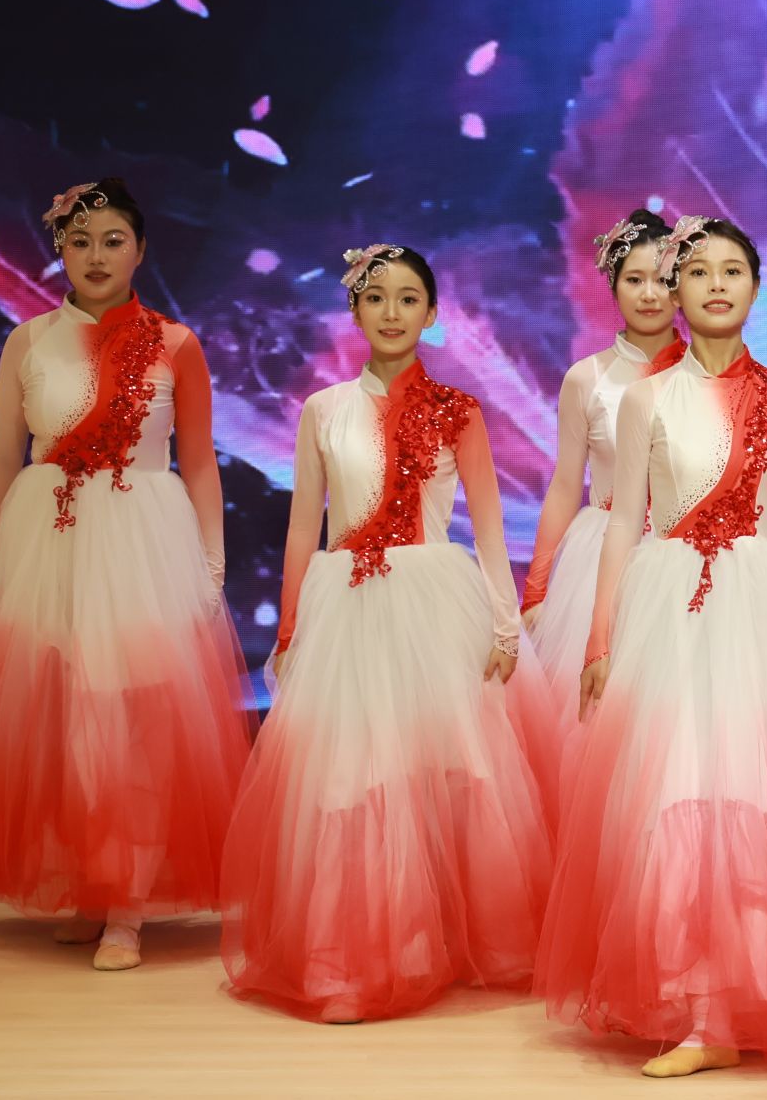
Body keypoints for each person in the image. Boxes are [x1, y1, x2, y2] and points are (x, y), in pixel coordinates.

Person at [539, 216, 767, 1078]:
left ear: (756, 285)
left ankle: (759, 998)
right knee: (677, 798)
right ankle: (698, 1004)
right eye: (698, 270)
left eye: (732, 270)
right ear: (675, 287)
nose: (716, 284)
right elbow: (622, 523)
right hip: (669, 607)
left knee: (758, 800)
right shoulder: (646, 396)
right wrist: (600, 636)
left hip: (764, 611)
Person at [219, 243, 558, 1023]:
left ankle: (442, 940)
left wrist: (505, 624)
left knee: (442, 774)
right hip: (347, 605)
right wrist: (290, 625)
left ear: (431, 313)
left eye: (409, 298)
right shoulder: (323, 409)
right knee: (353, 778)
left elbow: (485, 528)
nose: (393, 311)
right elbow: (303, 528)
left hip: (435, 600)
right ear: (354, 309)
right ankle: (352, 955)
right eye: (376, 297)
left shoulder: (458, 410)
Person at [0, 179, 248, 972]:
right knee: (63, 728)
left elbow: (200, 462)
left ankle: (129, 906)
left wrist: (210, 563)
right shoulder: (28, 341)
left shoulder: (175, 342)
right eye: (79, 241)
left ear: (140, 250)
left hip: (141, 541)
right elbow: (2, 456)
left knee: (132, 724)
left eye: (113, 240)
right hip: (46, 543)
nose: (96, 256)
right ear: (59, 250)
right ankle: (89, 886)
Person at [520, 209, 683, 682]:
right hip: (598, 560)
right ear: (613, 286)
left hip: (686, 557)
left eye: (662, 279)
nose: (649, 294)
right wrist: (536, 591)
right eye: (634, 280)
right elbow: (565, 485)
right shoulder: (586, 379)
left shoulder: (709, 377)